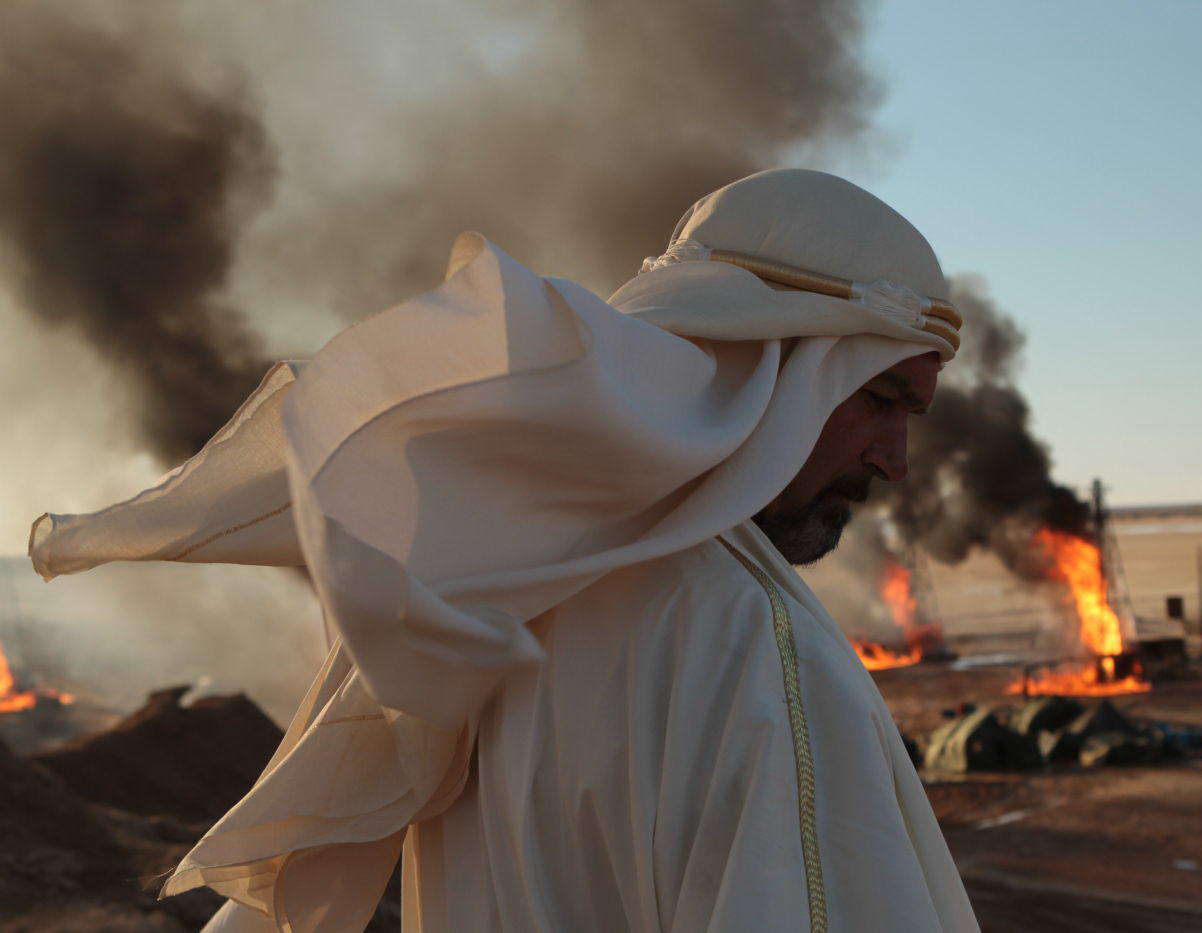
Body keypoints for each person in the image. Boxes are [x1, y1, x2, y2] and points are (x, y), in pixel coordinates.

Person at [30, 169, 981, 932]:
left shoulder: (493, 585)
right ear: (774, 360)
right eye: (884, 399)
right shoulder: (757, 649)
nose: (895, 462)